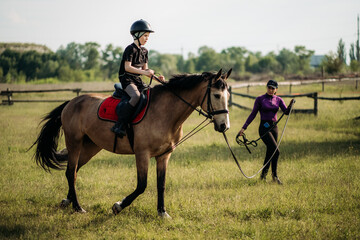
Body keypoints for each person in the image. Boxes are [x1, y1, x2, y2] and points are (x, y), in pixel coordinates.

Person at [111, 19, 165, 136]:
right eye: (145, 35)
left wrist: (159, 80)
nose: (147, 38)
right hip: (127, 80)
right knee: (135, 96)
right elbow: (127, 68)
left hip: (137, 80)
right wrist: (144, 73)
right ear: (137, 35)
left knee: (150, 94)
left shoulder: (145, 51)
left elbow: (147, 71)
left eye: (148, 36)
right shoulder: (129, 49)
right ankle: (119, 124)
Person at [237, 80, 294, 184]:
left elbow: (286, 112)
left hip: (274, 128)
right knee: (276, 151)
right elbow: (253, 114)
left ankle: (263, 176)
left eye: (273, 88)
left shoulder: (279, 99)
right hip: (263, 128)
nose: (271, 90)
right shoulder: (260, 99)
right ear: (266, 88)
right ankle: (275, 176)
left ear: (276, 89)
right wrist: (243, 128)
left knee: (271, 152)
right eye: (269, 88)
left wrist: (290, 106)